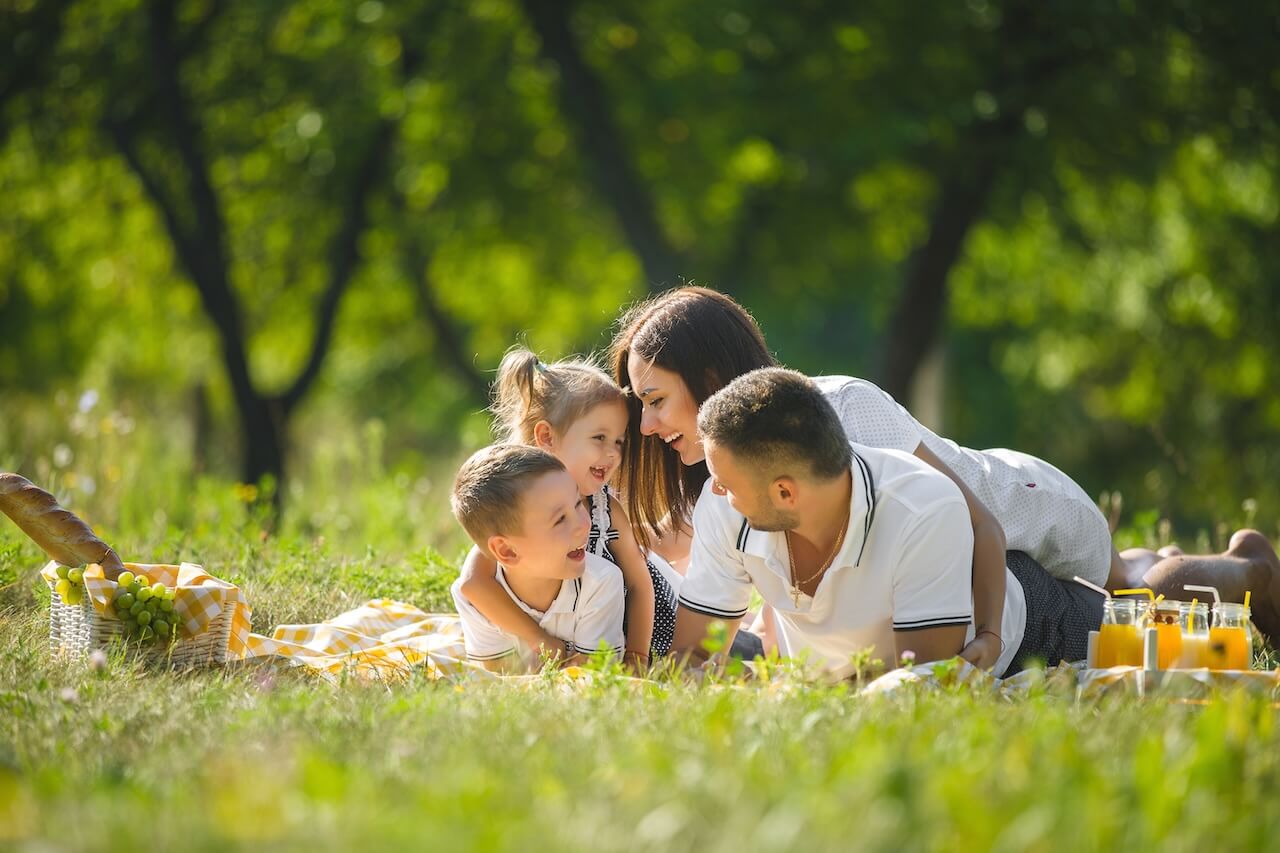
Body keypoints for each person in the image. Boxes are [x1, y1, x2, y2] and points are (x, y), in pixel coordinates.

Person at [611, 286, 1008, 669]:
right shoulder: (729, 482)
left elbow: (979, 523)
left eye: (656, 400)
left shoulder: (843, 415)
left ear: (711, 382)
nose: (645, 426)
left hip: (1018, 526)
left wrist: (990, 633)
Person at [673, 368, 1097, 678]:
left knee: (1138, 616)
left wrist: (783, 686)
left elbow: (919, 684)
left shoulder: (922, 509)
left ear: (785, 493)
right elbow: (689, 658)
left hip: (1033, 632)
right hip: (846, 665)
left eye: (725, 483)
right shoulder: (725, 509)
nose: (714, 491)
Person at [456, 348, 678, 667]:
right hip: (581, 633)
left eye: (618, 441)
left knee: (739, 652)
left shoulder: (606, 511)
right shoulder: (516, 506)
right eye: (599, 437)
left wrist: (638, 655)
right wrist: (540, 639)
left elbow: (640, 584)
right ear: (547, 436)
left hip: (657, 624)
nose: (613, 453)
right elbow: (474, 584)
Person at [450, 444, 625, 672]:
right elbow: (500, 679)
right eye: (560, 519)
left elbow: (592, 676)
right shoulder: (475, 602)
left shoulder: (600, 583)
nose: (583, 525)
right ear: (507, 551)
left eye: (577, 504)